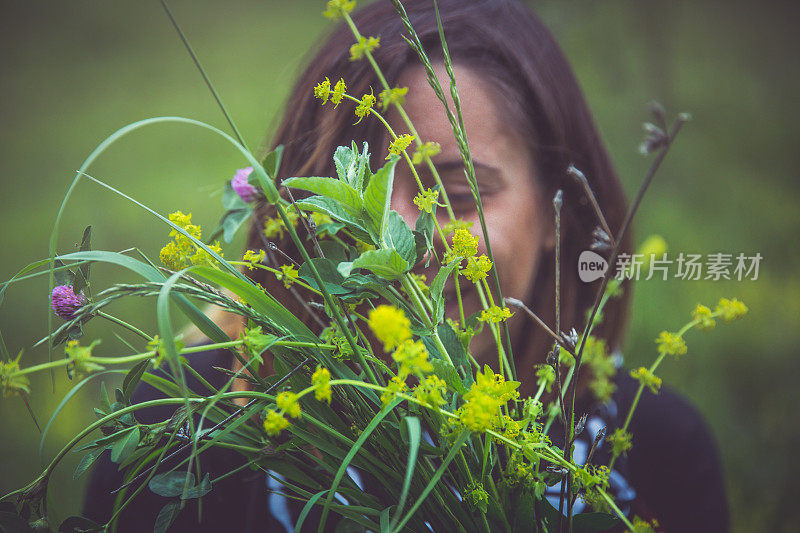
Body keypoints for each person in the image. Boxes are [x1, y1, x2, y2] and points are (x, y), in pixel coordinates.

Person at [83, 1, 729, 531]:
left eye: (449, 194)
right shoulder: (187, 430)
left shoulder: (656, 455)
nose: (389, 249)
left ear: (561, 211)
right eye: (343, 196)